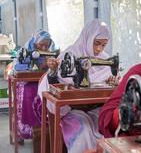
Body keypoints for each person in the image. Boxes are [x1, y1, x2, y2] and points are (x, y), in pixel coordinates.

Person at [38, 19, 119, 153]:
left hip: (94, 107)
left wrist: (112, 79)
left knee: (110, 125)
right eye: (96, 43)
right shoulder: (70, 55)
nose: (99, 49)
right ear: (88, 37)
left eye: (104, 45)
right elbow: (56, 83)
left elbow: (109, 79)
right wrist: (54, 72)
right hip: (71, 109)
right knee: (83, 131)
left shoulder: (105, 59)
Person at [10, 29, 56, 142]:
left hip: (40, 80)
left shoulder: (49, 51)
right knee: (28, 92)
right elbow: (16, 67)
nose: (44, 48)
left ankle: (41, 131)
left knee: (47, 93)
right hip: (24, 82)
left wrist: (50, 64)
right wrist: (40, 66)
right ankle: (22, 131)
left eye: (47, 45)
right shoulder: (25, 50)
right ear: (35, 42)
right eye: (41, 45)